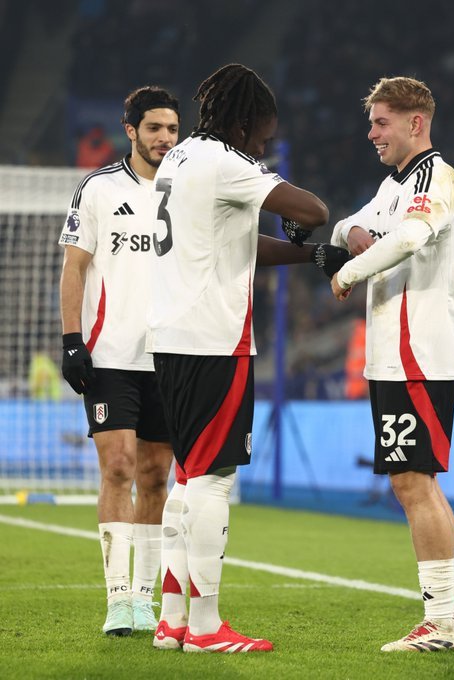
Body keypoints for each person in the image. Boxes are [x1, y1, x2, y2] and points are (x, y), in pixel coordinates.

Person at [146, 63, 330, 653]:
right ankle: (205, 627)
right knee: (214, 482)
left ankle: (172, 619)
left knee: (187, 477)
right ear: (247, 123)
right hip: (214, 341)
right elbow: (313, 210)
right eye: (265, 134)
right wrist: (304, 228)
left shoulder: (178, 161)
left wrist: (308, 258)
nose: (267, 145)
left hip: (172, 338)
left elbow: (235, 244)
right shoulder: (230, 162)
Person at [330, 76, 454, 652]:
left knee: (413, 482)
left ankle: (440, 621)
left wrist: (349, 270)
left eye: (381, 122)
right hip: (394, 355)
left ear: (416, 123)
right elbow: (346, 226)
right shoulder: (395, 184)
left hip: (419, 354)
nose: (371, 133)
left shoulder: (435, 177)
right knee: (417, 482)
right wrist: (358, 233)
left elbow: (413, 237)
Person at [59, 86, 180, 637]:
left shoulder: (186, 191)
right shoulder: (99, 189)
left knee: (158, 475)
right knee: (119, 468)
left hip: (172, 355)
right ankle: (115, 600)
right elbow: (75, 269)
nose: (165, 139)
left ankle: (142, 597)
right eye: (155, 128)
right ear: (130, 130)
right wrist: (71, 339)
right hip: (110, 355)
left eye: (173, 129)